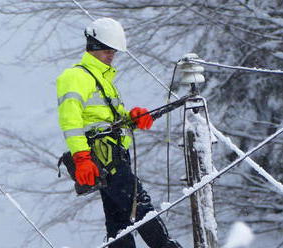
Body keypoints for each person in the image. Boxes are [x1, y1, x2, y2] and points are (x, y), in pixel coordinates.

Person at [56, 17, 182, 248]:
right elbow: (70, 121)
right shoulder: (76, 77)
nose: (111, 55)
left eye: (113, 51)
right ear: (93, 47)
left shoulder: (103, 78)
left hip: (114, 151)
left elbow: (108, 117)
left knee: (118, 220)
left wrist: (132, 118)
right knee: (139, 204)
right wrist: (81, 157)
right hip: (102, 154)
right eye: (106, 50)